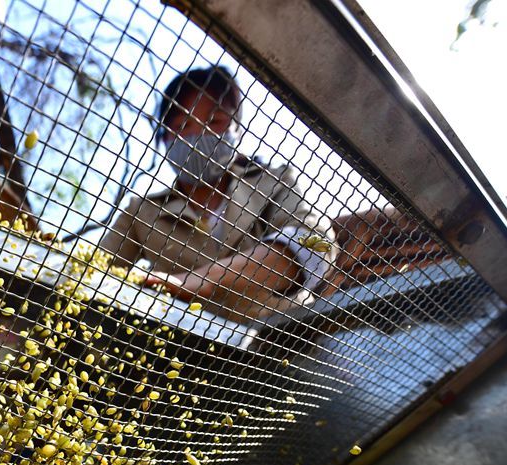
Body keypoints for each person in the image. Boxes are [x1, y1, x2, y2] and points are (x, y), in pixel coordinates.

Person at [99, 66, 337, 320]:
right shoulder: (141, 212)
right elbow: (94, 272)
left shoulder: (272, 182)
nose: (197, 135)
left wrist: (203, 280)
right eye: (182, 125)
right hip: (181, 350)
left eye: (214, 121)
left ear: (236, 129)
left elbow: (318, 243)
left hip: (282, 339)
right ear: (164, 137)